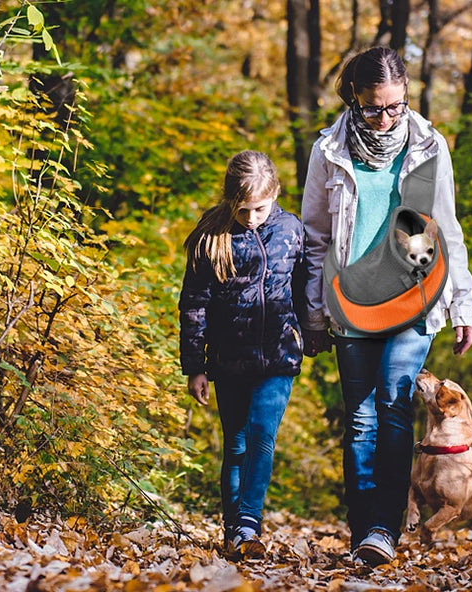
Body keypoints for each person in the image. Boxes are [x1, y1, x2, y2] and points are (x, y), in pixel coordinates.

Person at [299, 46, 472, 566]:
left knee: (394, 406)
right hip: (351, 302)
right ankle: (363, 531)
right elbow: (314, 237)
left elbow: (447, 227)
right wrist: (313, 311)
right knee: (359, 419)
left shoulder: (428, 146)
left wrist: (463, 302)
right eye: (373, 108)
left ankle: (383, 530)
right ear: (354, 99)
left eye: (395, 106)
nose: (385, 118)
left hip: (414, 299)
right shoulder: (328, 151)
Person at [180, 150, 305, 560]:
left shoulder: (291, 230)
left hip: (279, 355)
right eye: (243, 209)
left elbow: (305, 289)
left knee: (261, 435)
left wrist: (313, 332)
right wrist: (195, 366)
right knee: (235, 444)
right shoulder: (211, 236)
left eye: (259, 209)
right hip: (229, 358)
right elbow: (194, 305)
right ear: (229, 200)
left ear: (275, 194)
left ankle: (249, 524)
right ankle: (233, 530)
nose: (251, 218)